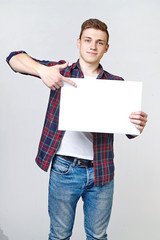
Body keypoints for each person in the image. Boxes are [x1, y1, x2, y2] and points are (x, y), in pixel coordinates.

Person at [6, 19, 147, 240]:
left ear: (106, 48)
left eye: (100, 42)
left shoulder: (116, 83)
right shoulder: (60, 71)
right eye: (88, 40)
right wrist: (43, 71)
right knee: (60, 235)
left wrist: (137, 123)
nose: (93, 46)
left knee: (98, 236)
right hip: (64, 169)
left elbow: (129, 131)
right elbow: (13, 58)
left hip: (101, 172)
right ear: (79, 42)